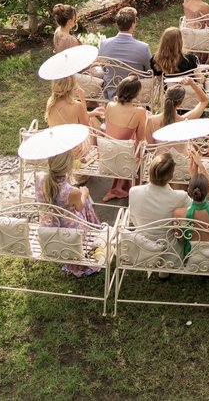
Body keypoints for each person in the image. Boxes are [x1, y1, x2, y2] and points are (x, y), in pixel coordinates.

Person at [35, 148, 103, 277]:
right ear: (68, 165)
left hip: (47, 229)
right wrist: (84, 192)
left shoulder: (40, 178)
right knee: (86, 199)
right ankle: (97, 231)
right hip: (70, 235)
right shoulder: (72, 192)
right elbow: (80, 206)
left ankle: (96, 231)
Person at [174, 150, 209, 263]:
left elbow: (180, 239)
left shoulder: (179, 213)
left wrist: (193, 177)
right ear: (207, 191)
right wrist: (201, 166)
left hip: (194, 257)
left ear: (189, 191)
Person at [98, 75, 147, 201]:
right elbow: (141, 137)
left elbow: (109, 128)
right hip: (125, 156)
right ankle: (132, 187)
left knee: (123, 142)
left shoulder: (109, 105)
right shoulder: (140, 111)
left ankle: (119, 186)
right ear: (135, 94)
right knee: (140, 145)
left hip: (107, 153)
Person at [99, 6, 153, 99]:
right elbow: (149, 72)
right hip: (136, 96)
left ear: (117, 24)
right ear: (133, 24)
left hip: (112, 94)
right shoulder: (143, 48)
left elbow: (104, 68)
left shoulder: (104, 44)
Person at [44, 75, 96, 160]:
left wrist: (91, 113)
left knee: (91, 119)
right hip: (73, 151)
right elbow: (86, 127)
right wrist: (82, 99)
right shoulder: (76, 105)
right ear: (71, 87)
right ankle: (91, 154)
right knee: (93, 122)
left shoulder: (50, 103)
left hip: (57, 148)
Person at [146, 78, 209, 143]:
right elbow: (204, 101)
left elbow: (150, 149)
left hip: (160, 153)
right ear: (180, 103)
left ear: (164, 98)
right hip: (182, 153)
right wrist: (192, 84)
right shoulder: (185, 121)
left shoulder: (151, 121)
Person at [127, 150, 182, 227]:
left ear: (150, 170)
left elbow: (133, 218)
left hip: (139, 237)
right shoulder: (180, 197)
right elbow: (198, 211)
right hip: (166, 238)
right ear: (171, 176)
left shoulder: (134, 191)